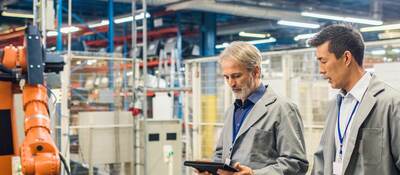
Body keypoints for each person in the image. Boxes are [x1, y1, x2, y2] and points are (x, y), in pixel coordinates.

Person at [197, 41, 308, 175]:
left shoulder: (282, 109)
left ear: (256, 72)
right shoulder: (232, 111)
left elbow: (296, 163)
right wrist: (211, 171)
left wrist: (255, 174)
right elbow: (221, 153)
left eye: (237, 76)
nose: (231, 84)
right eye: (226, 77)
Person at [310, 24, 400, 175]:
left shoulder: (391, 104)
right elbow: (321, 161)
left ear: (346, 58)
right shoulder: (334, 105)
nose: (321, 70)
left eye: (323, 61)